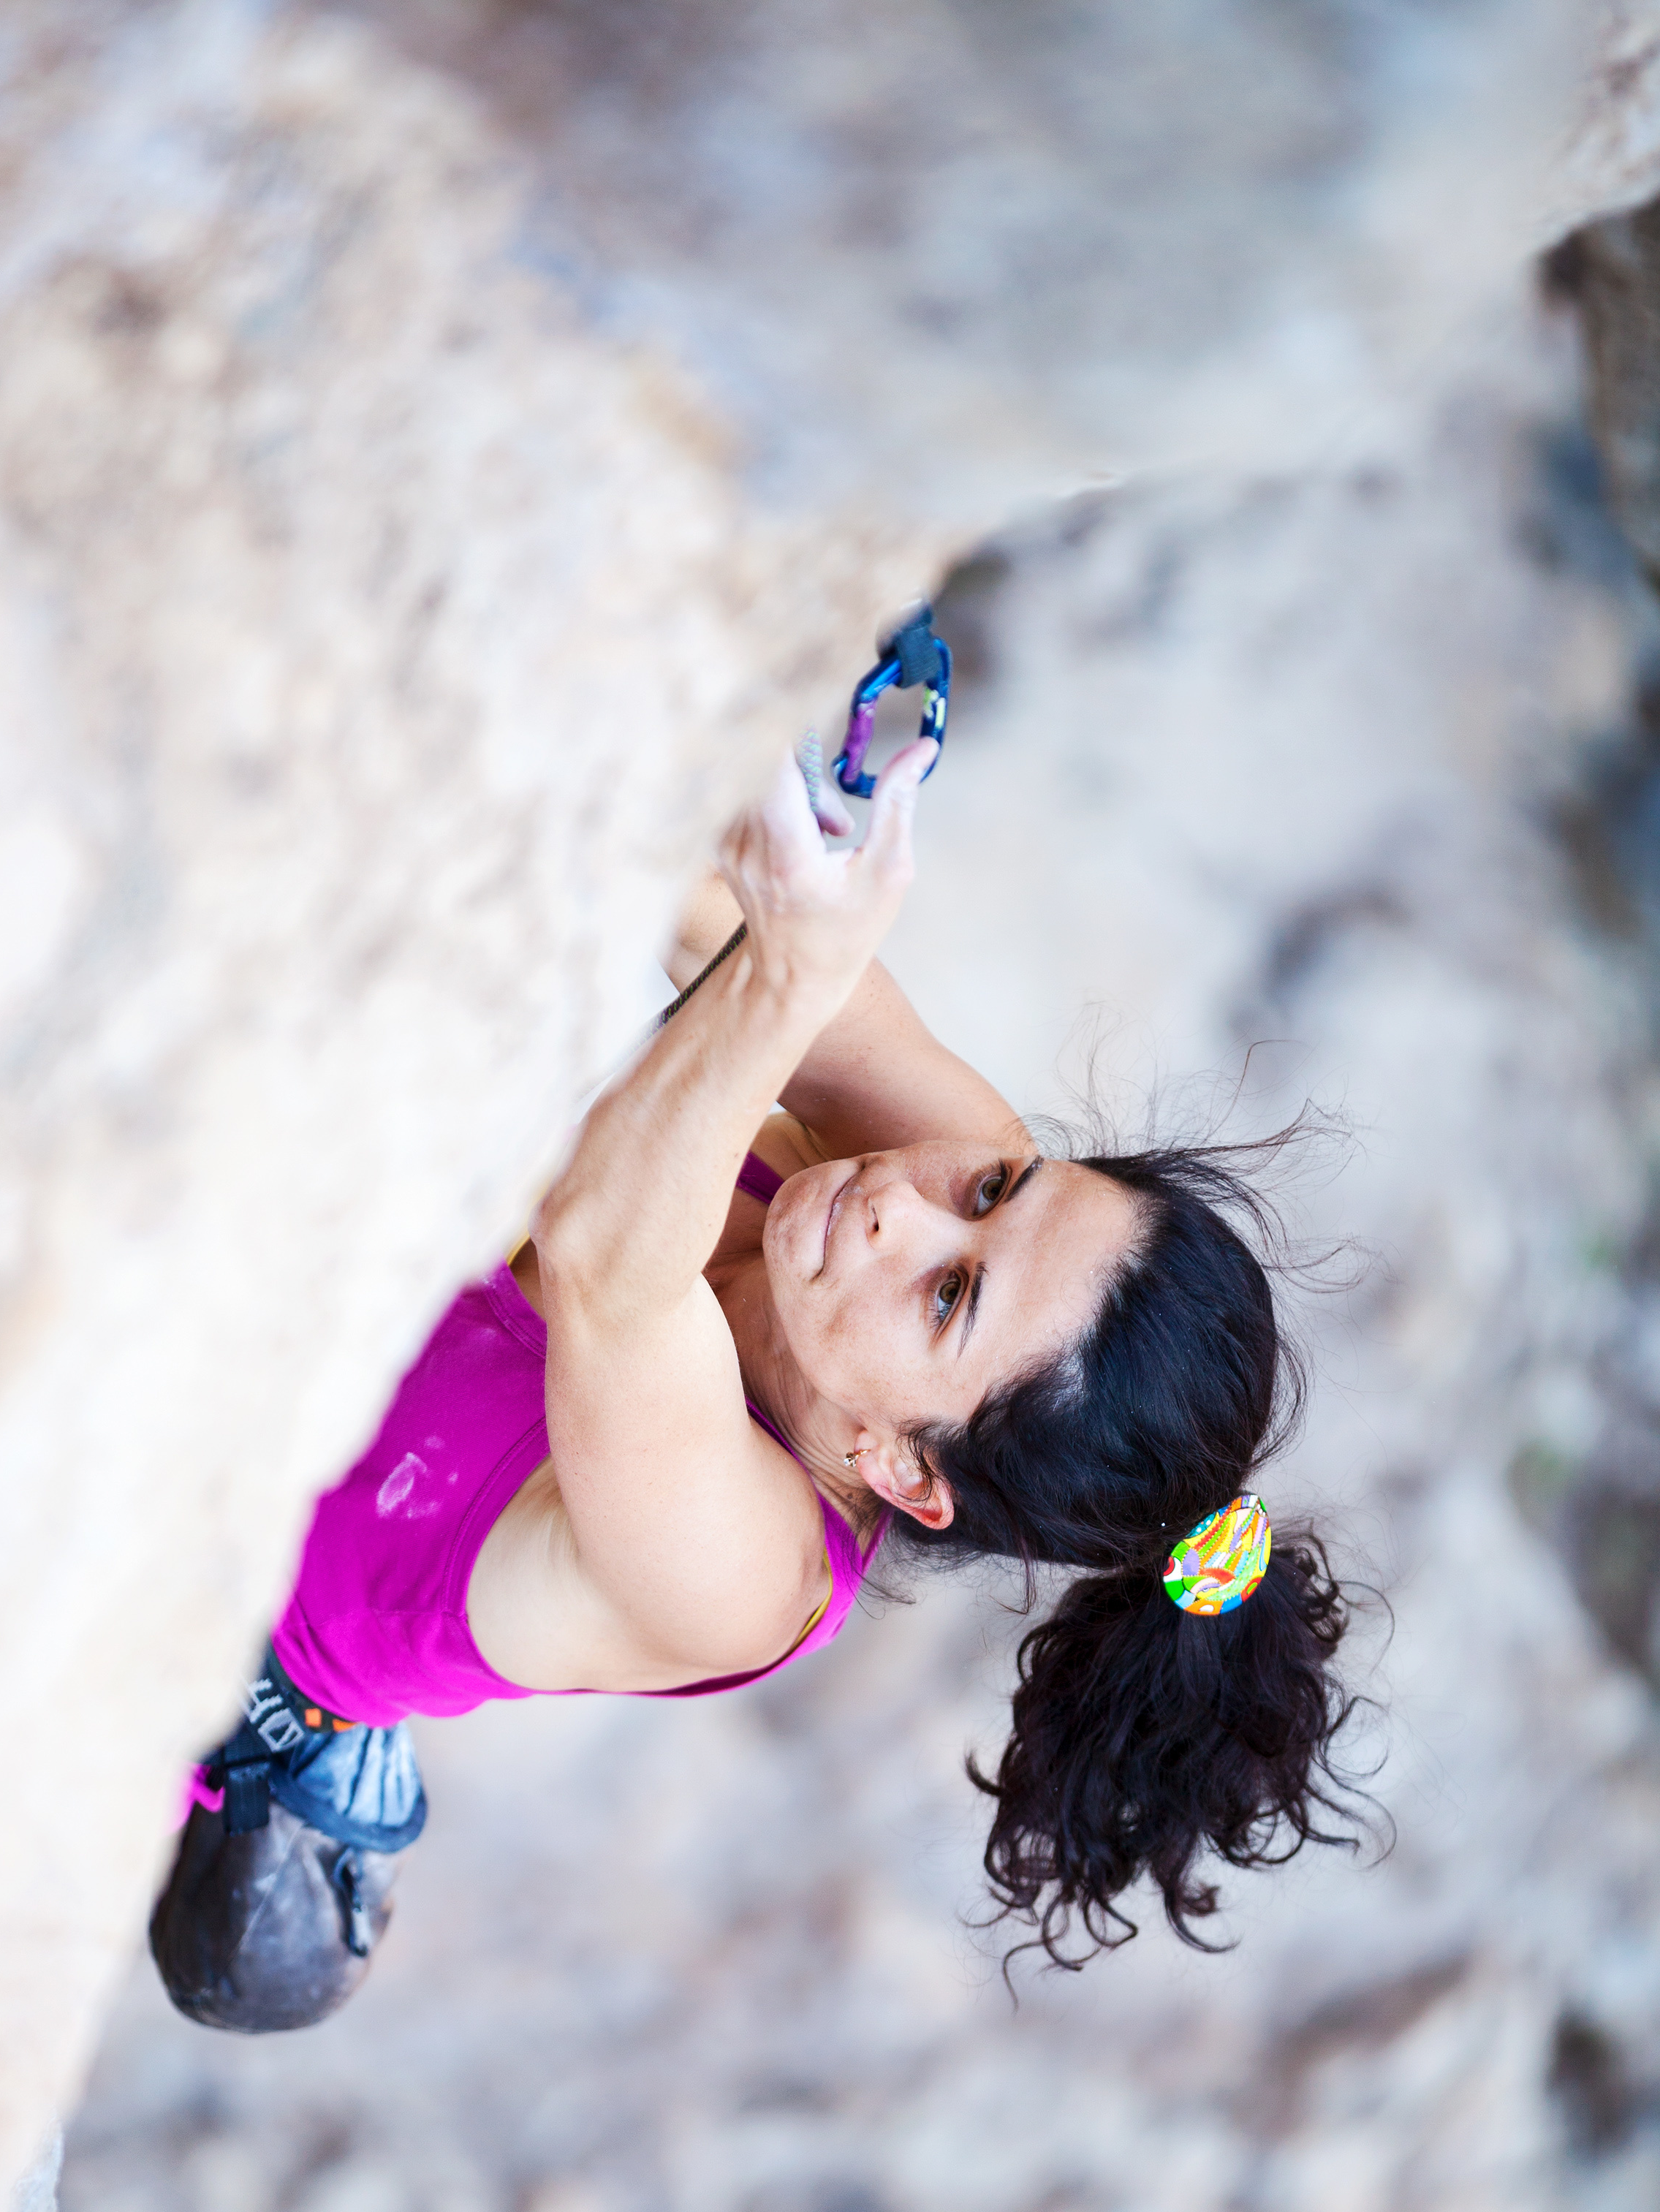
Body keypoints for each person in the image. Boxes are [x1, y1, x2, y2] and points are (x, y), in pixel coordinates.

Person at [150, 740, 1356, 2033]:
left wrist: (789, 966)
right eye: (1002, 1190)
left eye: (949, 1296)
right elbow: (711, 909)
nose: (908, 1204)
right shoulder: (947, 1184)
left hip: (198, 1612)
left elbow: (611, 1258)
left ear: (905, 1468)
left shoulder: (754, 1577)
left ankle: (293, 1778)